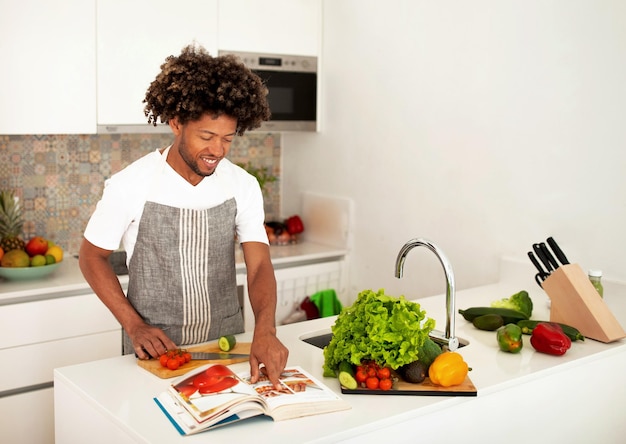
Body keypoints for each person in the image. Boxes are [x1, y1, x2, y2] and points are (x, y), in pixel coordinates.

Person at [79, 44, 288, 387]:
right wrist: (134, 325)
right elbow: (91, 257)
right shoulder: (130, 184)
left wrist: (265, 328)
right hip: (155, 351)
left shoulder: (243, 185)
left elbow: (260, 265)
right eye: (206, 136)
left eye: (227, 139)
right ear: (176, 123)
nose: (217, 151)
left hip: (226, 347)